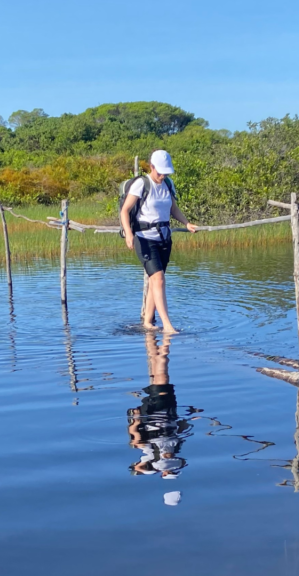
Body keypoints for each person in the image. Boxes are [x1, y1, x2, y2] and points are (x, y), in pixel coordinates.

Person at [120, 150, 197, 334]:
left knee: (158, 281)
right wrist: (129, 234)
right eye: (160, 172)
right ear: (151, 167)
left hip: (164, 238)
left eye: (166, 172)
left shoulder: (168, 184)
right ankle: (167, 325)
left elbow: (173, 208)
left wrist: (186, 223)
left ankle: (147, 321)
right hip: (145, 239)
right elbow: (125, 210)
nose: (163, 176)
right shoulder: (141, 184)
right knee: (158, 278)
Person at [126, 332, 196, 479]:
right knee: (156, 373)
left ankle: (166, 341)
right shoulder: (176, 447)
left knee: (161, 375)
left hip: (153, 410)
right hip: (169, 408)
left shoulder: (153, 452)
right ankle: (152, 338)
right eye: (172, 460)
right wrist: (191, 417)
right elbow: (182, 427)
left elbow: (136, 440)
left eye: (167, 461)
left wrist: (136, 420)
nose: (168, 456)